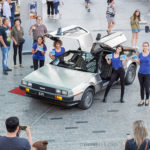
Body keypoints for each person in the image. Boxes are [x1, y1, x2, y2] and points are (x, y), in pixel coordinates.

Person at [132, 42, 150, 106]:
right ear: (142, 47)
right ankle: (142, 100)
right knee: (141, 87)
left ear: (148, 47)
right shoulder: (140, 54)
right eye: (144, 46)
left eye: (146, 46)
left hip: (148, 74)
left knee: (147, 87)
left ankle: (147, 99)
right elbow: (139, 63)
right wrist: (136, 60)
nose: (145, 47)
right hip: (140, 73)